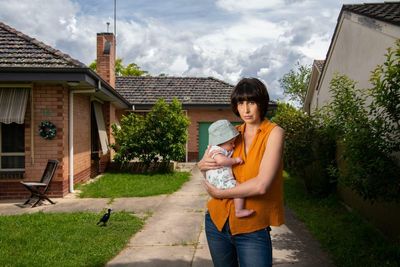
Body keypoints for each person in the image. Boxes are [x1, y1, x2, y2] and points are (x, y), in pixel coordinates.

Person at [198, 77, 285, 267]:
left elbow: (261, 185)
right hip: (217, 223)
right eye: (240, 102)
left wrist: (219, 193)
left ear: (261, 103)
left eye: (251, 102)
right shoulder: (231, 134)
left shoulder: (274, 133)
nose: (245, 109)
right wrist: (202, 165)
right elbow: (206, 161)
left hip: (252, 227)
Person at [206, 119, 254, 218]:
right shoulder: (216, 150)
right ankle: (239, 210)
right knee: (240, 189)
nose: (234, 145)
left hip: (216, 181)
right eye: (231, 143)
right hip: (221, 181)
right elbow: (221, 161)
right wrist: (235, 160)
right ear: (220, 142)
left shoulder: (218, 148)